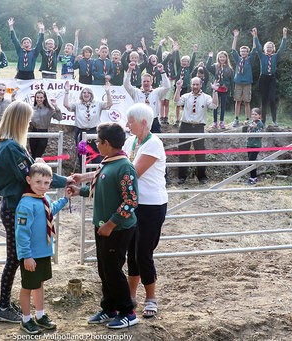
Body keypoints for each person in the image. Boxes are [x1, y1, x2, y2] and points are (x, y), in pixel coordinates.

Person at [0, 101, 70, 323]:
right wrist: (66, 181)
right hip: (16, 207)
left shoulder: (10, 145)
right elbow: (33, 175)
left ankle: (5, 304)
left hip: (15, 205)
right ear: (19, 122)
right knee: (14, 259)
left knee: (15, 258)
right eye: (26, 120)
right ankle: (4, 306)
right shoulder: (12, 148)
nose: (29, 123)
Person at [70, 122, 139, 329]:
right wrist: (78, 190)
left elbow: (131, 202)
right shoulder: (108, 163)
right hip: (103, 226)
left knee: (113, 270)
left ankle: (128, 311)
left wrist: (111, 223)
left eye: (99, 142)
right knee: (104, 269)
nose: (97, 146)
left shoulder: (124, 167)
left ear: (107, 143)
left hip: (117, 229)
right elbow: (100, 189)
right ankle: (109, 307)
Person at [15, 162, 72, 334]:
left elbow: (50, 211)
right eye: (38, 182)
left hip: (43, 252)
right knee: (27, 286)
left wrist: (65, 199)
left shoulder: (44, 198)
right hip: (31, 255)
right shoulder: (26, 204)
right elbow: (21, 233)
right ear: (29, 180)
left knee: (39, 284)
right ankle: (26, 319)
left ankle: (40, 315)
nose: (42, 186)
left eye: (46, 183)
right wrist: (26, 256)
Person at [122, 103, 167, 318]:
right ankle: (131, 296)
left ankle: (151, 297)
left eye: (130, 121)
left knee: (143, 252)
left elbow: (132, 174)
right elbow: (116, 165)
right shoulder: (131, 141)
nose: (127, 124)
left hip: (152, 205)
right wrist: (87, 178)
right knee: (132, 250)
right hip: (134, 204)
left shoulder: (154, 144)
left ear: (143, 123)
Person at [174, 77, 219, 185]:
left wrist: (215, 91)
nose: (195, 87)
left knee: (200, 153)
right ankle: (181, 177)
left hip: (199, 127)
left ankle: (202, 177)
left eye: (197, 85)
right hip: (185, 126)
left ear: (201, 85)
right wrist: (178, 88)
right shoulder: (186, 96)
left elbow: (214, 105)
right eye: (193, 84)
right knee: (183, 152)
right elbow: (176, 102)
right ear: (191, 85)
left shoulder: (206, 97)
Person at [63, 80, 112, 166]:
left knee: (97, 153)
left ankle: (96, 173)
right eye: (84, 92)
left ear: (91, 94)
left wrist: (108, 92)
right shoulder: (77, 104)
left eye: (88, 92)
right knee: (82, 154)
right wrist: (66, 92)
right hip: (81, 132)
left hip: (94, 132)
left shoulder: (97, 103)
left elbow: (109, 104)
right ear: (81, 94)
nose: (86, 94)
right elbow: (66, 105)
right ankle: (83, 174)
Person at [253, 27, 287, 126]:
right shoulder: (262, 55)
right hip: (263, 78)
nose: (269, 49)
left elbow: (282, 48)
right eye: (267, 47)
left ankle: (274, 120)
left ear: (273, 49)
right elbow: (258, 46)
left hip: (271, 78)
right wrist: (255, 35)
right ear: (265, 48)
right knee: (264, 100)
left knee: (272, 99)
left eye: (271, 47)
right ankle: (262, 121)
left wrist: (284, 35)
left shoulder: (275, 56)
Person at [123, 62, 170, 133]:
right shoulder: (136, 92)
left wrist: (162, 72)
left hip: (153, 121)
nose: (146, 83)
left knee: (155, 141)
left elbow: (167, 87)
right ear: (141, 82)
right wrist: (129, 70)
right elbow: (126, 85)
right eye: (144, 81)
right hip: (139, 121)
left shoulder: (157, 92)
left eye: (148, 81)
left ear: (151, 82)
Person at [231, 29, 256, 127]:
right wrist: (235, 37)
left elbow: (254, 48)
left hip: (247, 83)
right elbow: (233, 49)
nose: (243, 52)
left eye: (245, 51)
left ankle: (247, 119)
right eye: (241, 51)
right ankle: (236, 119)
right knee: (237, 101)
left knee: (247, 101)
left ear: (247, 52)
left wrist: (254, 37)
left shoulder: (250, 59)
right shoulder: (238, 59)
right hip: (238, 83)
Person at [29, 90, 63, 159]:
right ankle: (33, 169)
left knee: (38, 155)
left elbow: (59, 118)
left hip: (43, 133)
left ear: (44, 98)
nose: (39, 99)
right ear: (35, 98)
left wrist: (56, 107)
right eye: (37, 97)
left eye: (41, 98)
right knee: (33, 155)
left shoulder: (49, 109)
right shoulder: (31, 108)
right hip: (33, 132)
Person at [206, 51, 234, 129]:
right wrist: (210, 57)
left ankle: (221, 121)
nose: (222, 58)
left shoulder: (229, 69)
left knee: (223, 106)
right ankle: (215, 122)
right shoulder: (215, 66)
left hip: (224, 89)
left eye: (223, 57)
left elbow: (231, 81)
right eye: (220, 57)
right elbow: (207, 67)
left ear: (226, 58)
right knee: (215, 105)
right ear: (218, 58)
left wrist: (232, 92)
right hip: (216, 89)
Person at [173, 42, 197, 127]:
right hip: (178, 87)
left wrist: (194, 52)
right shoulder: (179, 67)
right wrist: (176, 50)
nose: (184, 62)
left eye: (186, 61)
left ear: (188, 63)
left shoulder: (189, 69)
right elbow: (176, 59)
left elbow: (193, 61)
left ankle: (184, 118)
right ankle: (177, 119)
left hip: (185, 87)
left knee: (185, 104)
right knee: (177, 104)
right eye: (183, 61)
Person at [245, 108, 264, 185]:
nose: (254, 116)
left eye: (256, 114)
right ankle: (252, 177)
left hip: (256, 145)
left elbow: (260, 135)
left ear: (259, 116)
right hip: (249, 144)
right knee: (250, 161)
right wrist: (247, 125)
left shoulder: (260, 124)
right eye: (252, 114)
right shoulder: (251, 122)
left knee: (252, 161)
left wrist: (256, 127)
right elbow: (247, 132)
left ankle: (253, 178)